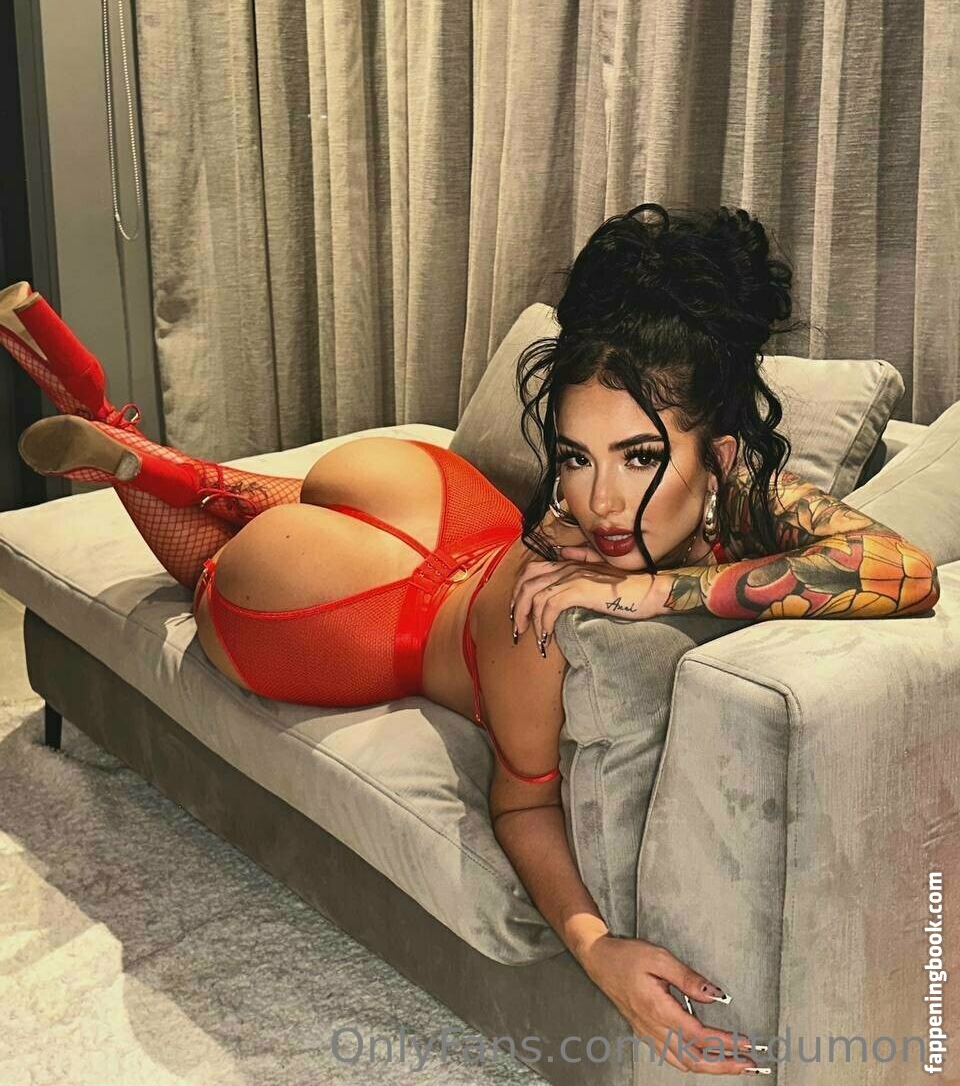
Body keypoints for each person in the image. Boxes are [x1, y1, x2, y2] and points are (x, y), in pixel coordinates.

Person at [0, 202, 938, 1076]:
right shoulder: (553, 611)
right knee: (206, 571)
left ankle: (144, 448)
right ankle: (124, 449)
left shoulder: (723, 507)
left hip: (431, 503)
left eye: (641, 457)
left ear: (721, 455)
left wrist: (656, 587)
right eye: (575, 458)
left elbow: (909, 570)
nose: (602, 501)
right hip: (366, 608)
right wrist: (594, 947)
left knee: (281, 505)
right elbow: (520, 807)